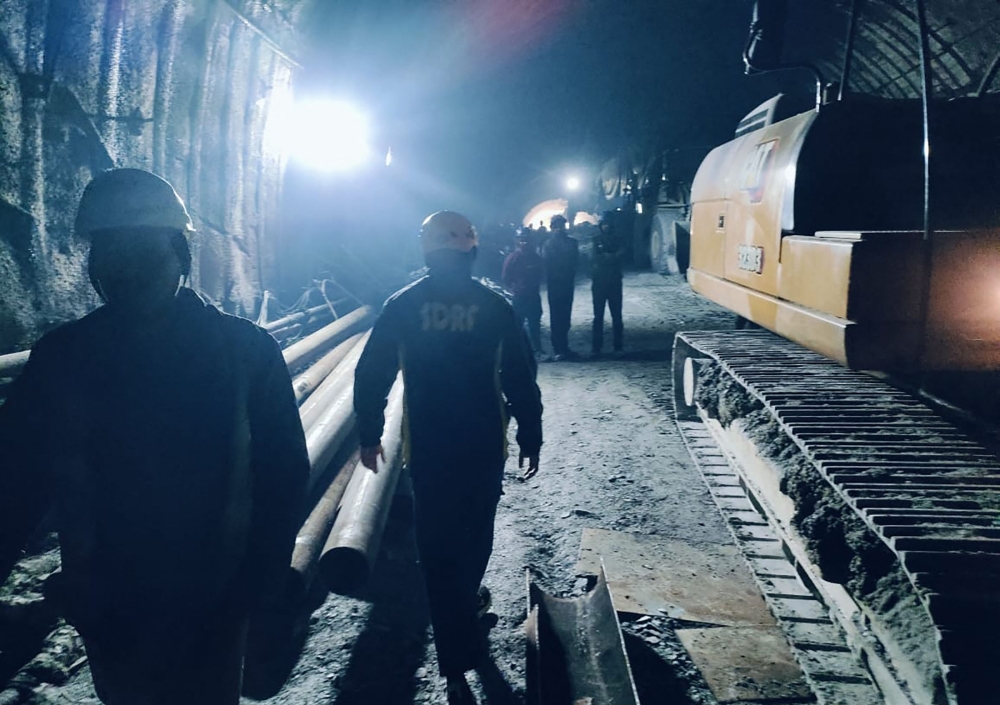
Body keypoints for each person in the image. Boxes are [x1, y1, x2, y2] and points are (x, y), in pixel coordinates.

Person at [0, 168, 309, 705]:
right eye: (112, 252)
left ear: (178, 252)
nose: (126, 269)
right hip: (113, 603)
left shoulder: (246, 353)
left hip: (211, 600)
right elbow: (15, 479)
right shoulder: (64, 357)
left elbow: (284, 477)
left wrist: (259, 592)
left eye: (141, 252)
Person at [353, 211, 543, 705]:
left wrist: (369, 433)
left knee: (436, 555)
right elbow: (522, 375)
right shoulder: (494, 306)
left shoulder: (404, 305)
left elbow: (371, 372)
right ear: (472, 250)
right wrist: (531, 433)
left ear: (426, 252)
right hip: (482, 450)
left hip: (430, 453)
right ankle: (465, 619)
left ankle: (455, 664)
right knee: (474, 542)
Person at [542, 214, 579, 360]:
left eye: (561, 225)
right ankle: (558, 348)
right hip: (555, 284)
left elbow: (575, 262)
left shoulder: (570, 243)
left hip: (566, 284)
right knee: (556, 316)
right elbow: (547, 264)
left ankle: (564, 347)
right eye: (557, 226)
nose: (559, 229)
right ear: (552, 227)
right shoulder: (548, 245)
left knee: (565, 316)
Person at [502, 229, 545, 356]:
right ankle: (517, 350)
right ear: (517, 241)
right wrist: (516, 288)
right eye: (522, 240)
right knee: (517, 325)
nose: (525, 242)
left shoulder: (536, 258)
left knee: (535, 324)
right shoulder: (512, 258)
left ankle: (537, 349)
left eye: (527, 240)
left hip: (533, 295)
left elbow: (541, 274)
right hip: (519, 297)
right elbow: (505, 277)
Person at [591, 214, 624, 356]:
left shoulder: (618, 240)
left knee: (617, 316)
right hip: (599, 282)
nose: (606, 226)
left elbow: (623, 253)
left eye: (608, 224)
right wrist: (611, 257)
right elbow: (594, 257)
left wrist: (610, 256)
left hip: (614, 282)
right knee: (598, 316)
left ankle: (618, 347)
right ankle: (596, 348)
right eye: (604, 224)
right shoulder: (595, 240)